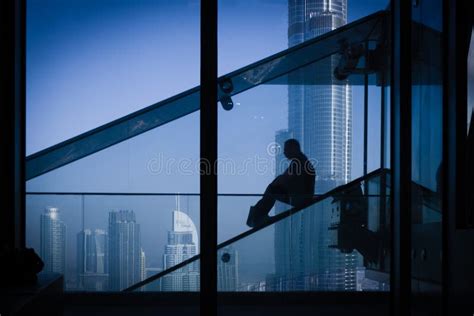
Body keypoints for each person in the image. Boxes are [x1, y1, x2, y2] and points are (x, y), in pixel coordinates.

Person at [246, 139, 315, 227]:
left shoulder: (299, 162)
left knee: (272, 190)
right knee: (272, 189)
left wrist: (275, 183)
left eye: (286, 149)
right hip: (302, 196)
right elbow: (287, 178)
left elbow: (286, 178)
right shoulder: (300, 160)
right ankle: (258, 216)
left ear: (293, 149)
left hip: (302, 198)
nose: (284, 152)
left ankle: (258, 217)